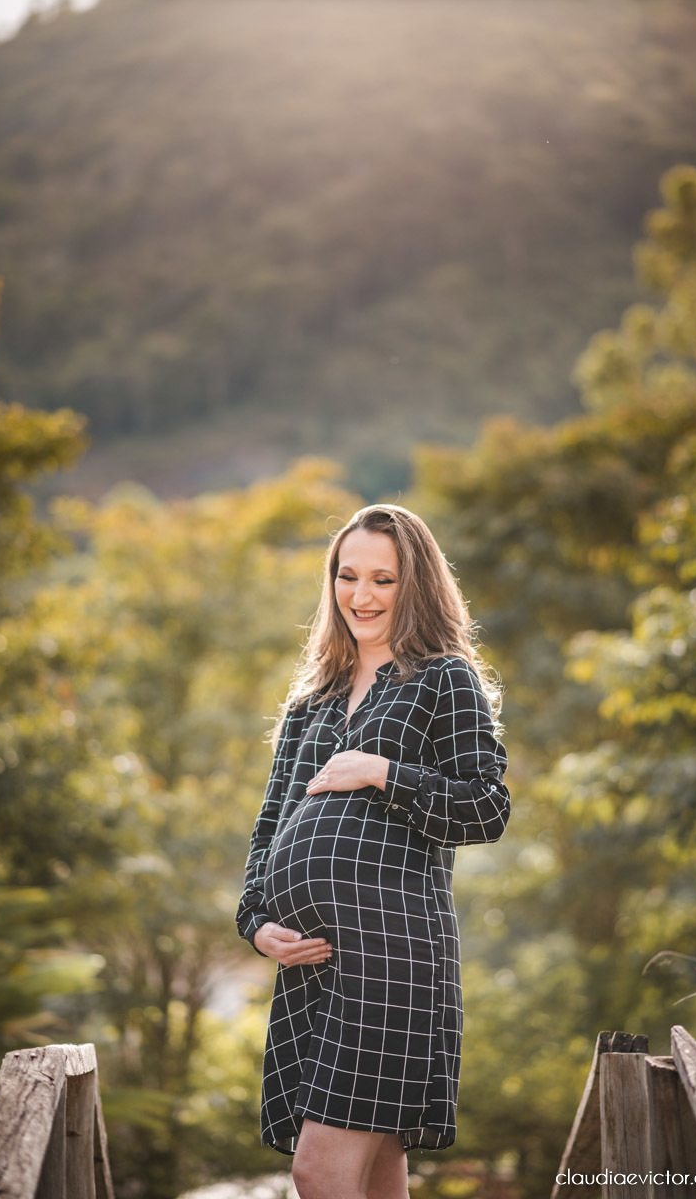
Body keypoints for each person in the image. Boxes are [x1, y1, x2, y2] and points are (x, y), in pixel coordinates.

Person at [235, 503, 511, 1199]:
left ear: (415, 584)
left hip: (391, 955)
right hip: (311, 968)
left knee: (319, 1169)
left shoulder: (444, 679)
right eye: (347, 576)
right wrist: (257, 924)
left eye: (382, 580)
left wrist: (383, 772)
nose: (361, 596)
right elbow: (268, 827)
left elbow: (486, 807)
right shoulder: (311, 704)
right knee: (376, 1173)